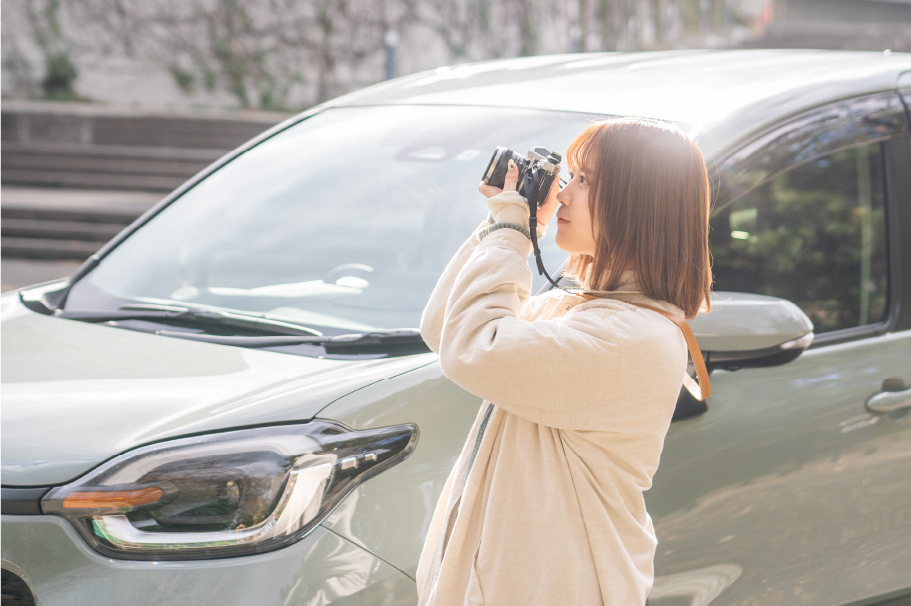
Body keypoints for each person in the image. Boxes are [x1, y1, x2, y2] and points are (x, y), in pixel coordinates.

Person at [416, 116, 713, 606]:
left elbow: (473, 344)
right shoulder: (582, 312)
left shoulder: (626, 338)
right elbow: (445, 326)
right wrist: (505, 223)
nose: (564, 194)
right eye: (569, 176)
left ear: (636, 204)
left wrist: (514, 228)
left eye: (585, 180)